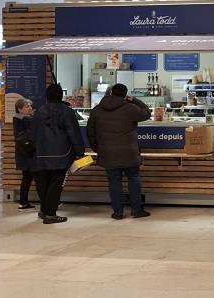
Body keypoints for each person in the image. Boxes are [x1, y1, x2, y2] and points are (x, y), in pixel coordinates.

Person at [87, 83, 152, 220]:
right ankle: (136, 210)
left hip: (108, 153)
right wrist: (134, 100)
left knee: (114, 182)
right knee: (133, 179)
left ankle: (118, 212)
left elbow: (90, 132)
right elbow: (147, 113)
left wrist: (98, 148)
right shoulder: (130, 108)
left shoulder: (97, 110)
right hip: (129, 152)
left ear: (110, 94)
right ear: (125, 95)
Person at [32, 83, 85, 224]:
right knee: (56, 185)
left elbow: (33, 134)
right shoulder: (67, 111)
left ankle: (44, 210)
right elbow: (73, 133)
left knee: (44, 184)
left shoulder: (39, 111)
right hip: (61, 154)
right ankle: (50, 214)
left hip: (41, 154)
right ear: (61, 95)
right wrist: (80, 151)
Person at [11, 98, 40, 212]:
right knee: (39, 179)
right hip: (29, 154)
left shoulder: (18, 118)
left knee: (27, 179)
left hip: (23, 154)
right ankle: (47, 203)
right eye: (27, 106)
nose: (31, 108)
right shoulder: (25, 119)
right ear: (20, 109)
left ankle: (23, 203)